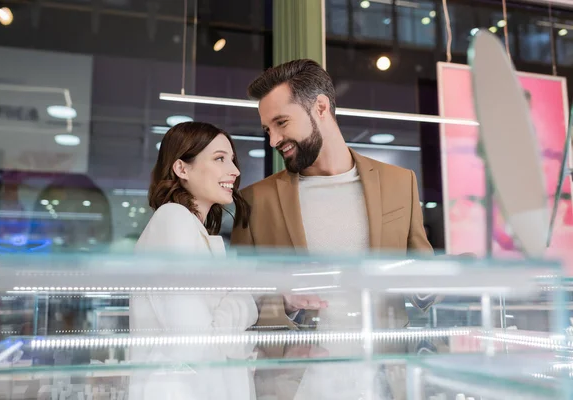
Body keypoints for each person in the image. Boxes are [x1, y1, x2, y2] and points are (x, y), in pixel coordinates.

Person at [230, 59, 435, 331]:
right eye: (268, 129)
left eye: (281, 122)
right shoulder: (255, 200)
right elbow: (242, 298)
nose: (273, 140)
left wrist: (454, 272)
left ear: (321, 107)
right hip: (297, 367)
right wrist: (287, 305)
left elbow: (424, 284)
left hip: (381, 364)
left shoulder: (399, 182)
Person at [129, 121, 258, 400]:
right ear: (181, 168)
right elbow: (196, 343)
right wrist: (246, 298)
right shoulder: (172, 218)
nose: (234, 171)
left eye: (232, 160)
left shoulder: (192, 228)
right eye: (220, 159)